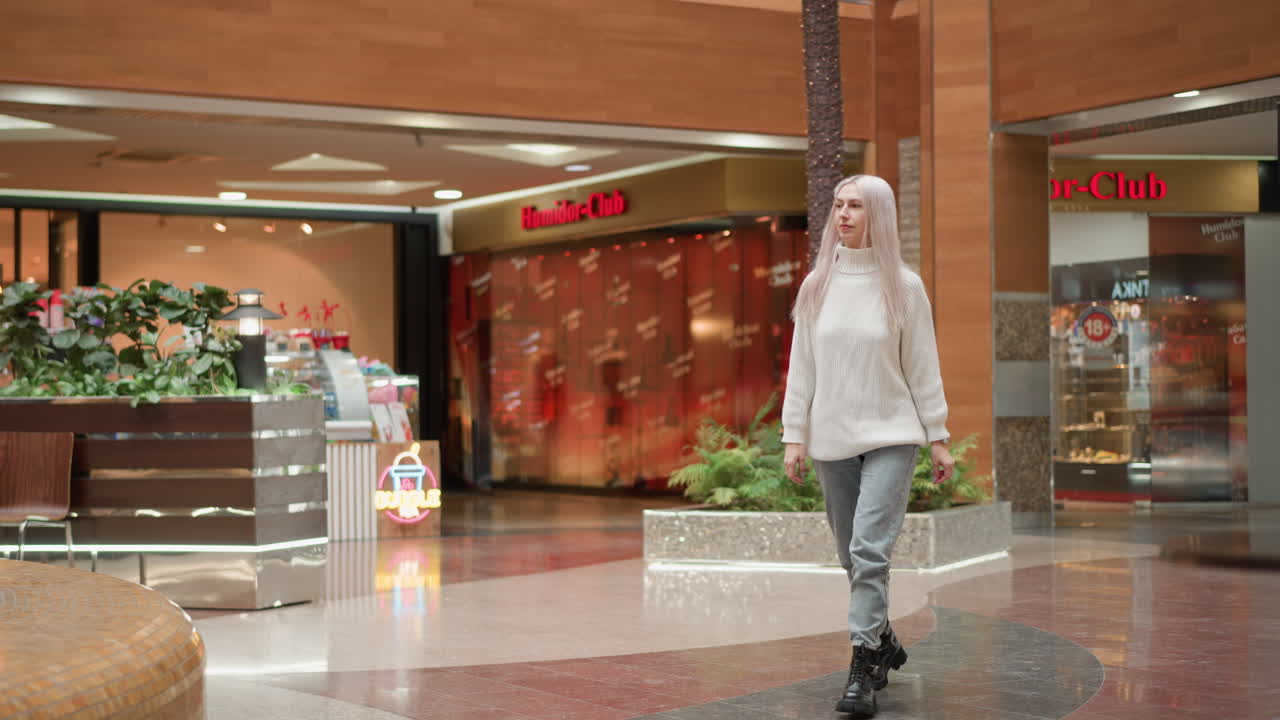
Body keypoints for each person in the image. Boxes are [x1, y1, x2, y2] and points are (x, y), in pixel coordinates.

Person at [781, 174, 954, 718]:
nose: (843, 214)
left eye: (856, 205)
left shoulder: (903, 286)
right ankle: (883, 640)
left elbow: (922, 366)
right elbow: (801, 371)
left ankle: (861, 667)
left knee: (869, 552)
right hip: (832, 437)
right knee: (849, 557)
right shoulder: (816, 287)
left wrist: (939, 437)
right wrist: (794, 436)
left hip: (891, 436)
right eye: (838, 205)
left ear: (877, 213)